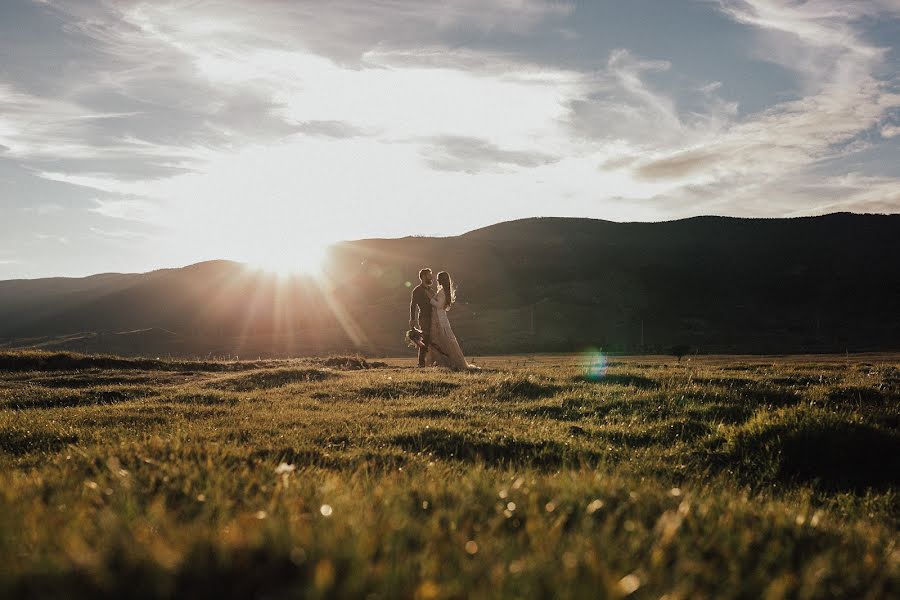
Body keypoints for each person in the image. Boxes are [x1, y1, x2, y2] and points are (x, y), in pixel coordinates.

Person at [425, 271, 476, 371]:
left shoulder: (443, 291)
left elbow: (439, 306)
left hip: (439, 318)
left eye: (439, 278)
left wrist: (430, 298)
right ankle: (443, 362)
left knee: (443, 339)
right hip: (440, 317)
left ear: (442, 280)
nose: (437, 280)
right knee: (442, 339)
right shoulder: (444, 290)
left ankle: (447, 361)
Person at [409, 268, 435, 368]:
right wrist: (412, 319)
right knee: (425, 339)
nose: (431, 277)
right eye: (429, 275)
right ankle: (421, 363)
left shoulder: (431, 290)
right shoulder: (417, 290)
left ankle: (431, 361)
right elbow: (413, 305)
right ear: (423, 277)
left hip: (433, 318)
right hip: (424, 318)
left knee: (433, 340)